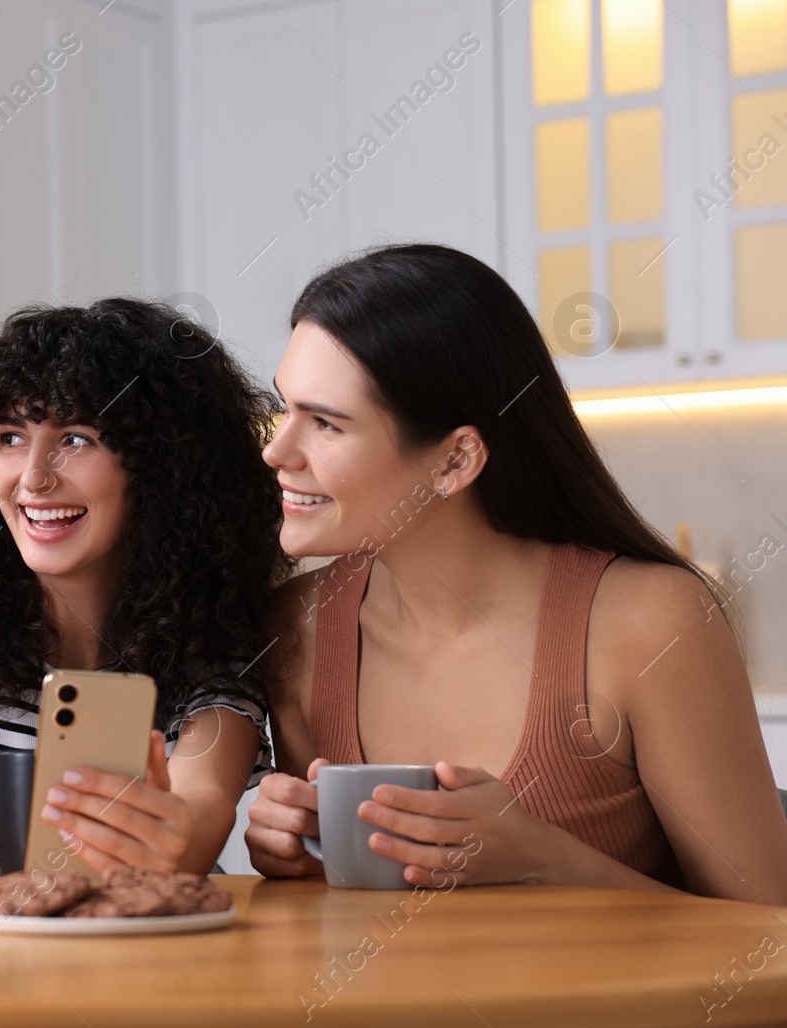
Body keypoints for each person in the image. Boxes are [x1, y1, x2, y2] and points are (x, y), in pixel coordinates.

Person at [246, 243, 787, 901]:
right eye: (286, 409)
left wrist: (544, 858)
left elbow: (766, 934)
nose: (276, 450)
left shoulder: (650, 622)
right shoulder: (296, 629)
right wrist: (300, 851)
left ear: (454, 461)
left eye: (326, 424)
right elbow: (349, 923)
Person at [0, 298, 290, 877]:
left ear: (165, 470)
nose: (33, 476)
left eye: (75, 438)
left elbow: (194, 827)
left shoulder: (213, 662)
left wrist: (157, 827)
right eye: (10, 436)